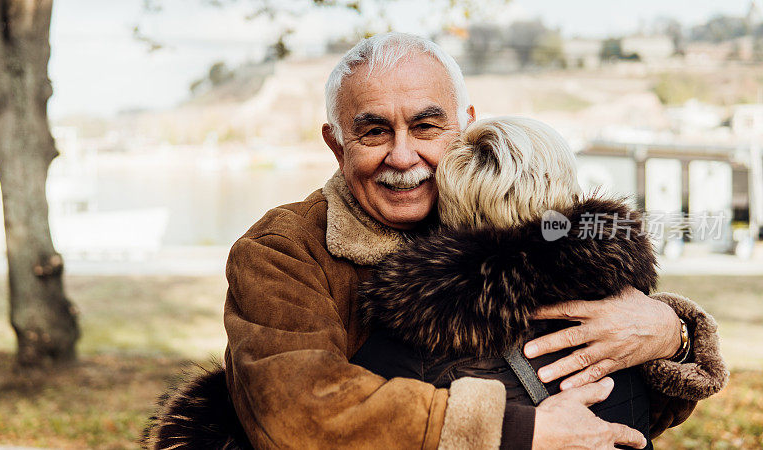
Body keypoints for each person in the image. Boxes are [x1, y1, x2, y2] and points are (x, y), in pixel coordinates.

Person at [143, 32, 728, 449]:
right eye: (374, 131)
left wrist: (667, 332)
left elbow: (639, 407)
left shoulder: (501, 219)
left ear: (465, 121)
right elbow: (300, 416)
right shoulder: (283, 251)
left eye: (426, 126)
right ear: (334, 142)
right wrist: (522, 430)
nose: (403, 156)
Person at [350, 116, 681, 450]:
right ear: (568, 192)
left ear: (448, 209)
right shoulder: (629, 306)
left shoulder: (409, 339)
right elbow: (665, 408)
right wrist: (677, 332)